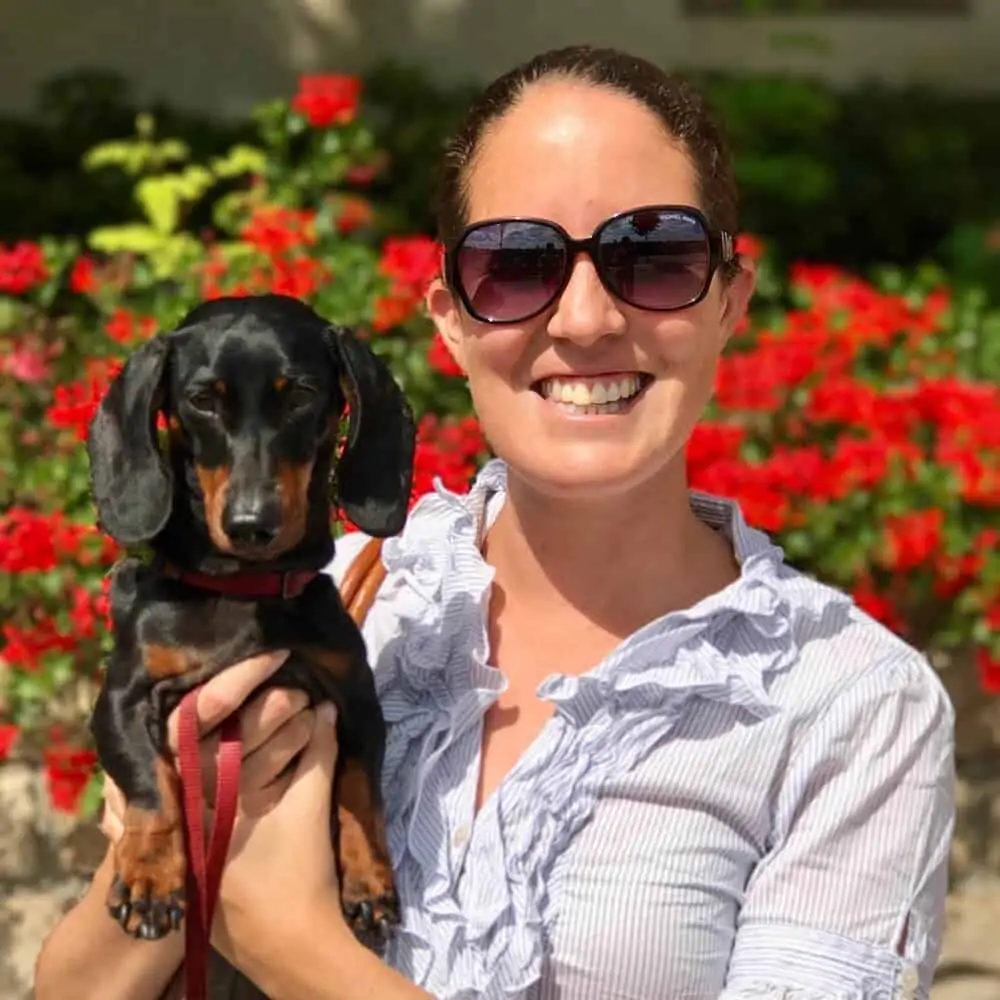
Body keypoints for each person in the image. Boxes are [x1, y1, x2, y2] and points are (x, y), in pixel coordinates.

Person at [35, 44, 956, 1000]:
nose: (588, 318)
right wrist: (176, 838)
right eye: (517, 264)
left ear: (731, 297)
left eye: (655, 255)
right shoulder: (329, 600)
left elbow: (283, 944)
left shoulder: (852, 707)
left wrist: (290, 943)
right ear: (450, 317)